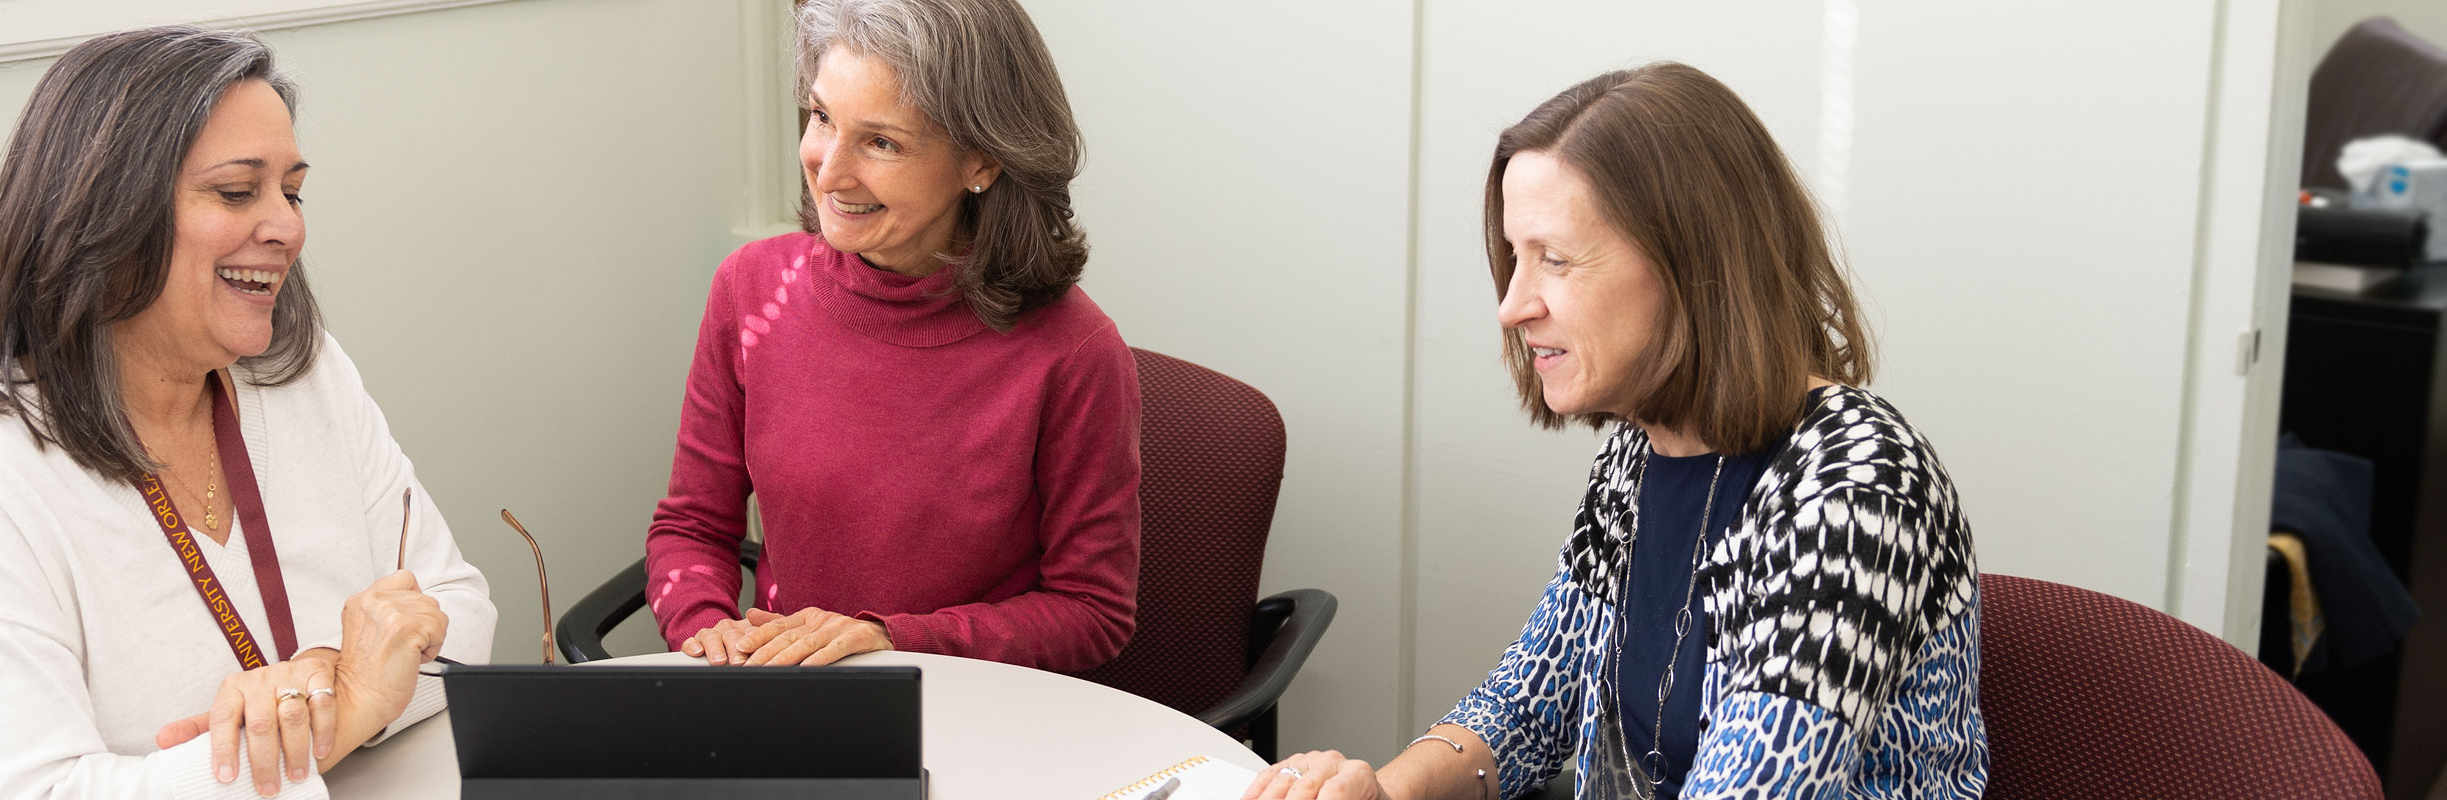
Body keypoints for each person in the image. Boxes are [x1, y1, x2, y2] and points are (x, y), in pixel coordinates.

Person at [1248, 62, 1985, 800]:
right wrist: (1385, 790)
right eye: (1515, 258)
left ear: (1691, 264)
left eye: (1556, 260)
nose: (1511, 305)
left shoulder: (1859, 484)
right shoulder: (1642, 447)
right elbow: (1531, 702)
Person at [0, 27, 494, 800]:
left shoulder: (302, 372)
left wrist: (330, 688)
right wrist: (354, 700)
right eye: (237, 192)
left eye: (291, 191)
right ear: (104, 215)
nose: (289, 226)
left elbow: (455, 609)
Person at [643, 0, 1140, 673]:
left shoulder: (1074, 352)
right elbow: (691, 527)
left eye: (881, 142)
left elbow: (1092, 613)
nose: (829, 169)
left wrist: (888, 639)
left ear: (982, 163)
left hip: (979, 711)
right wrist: (708, 630)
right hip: (791, 703)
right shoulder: (751, 291)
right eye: (822, 118)